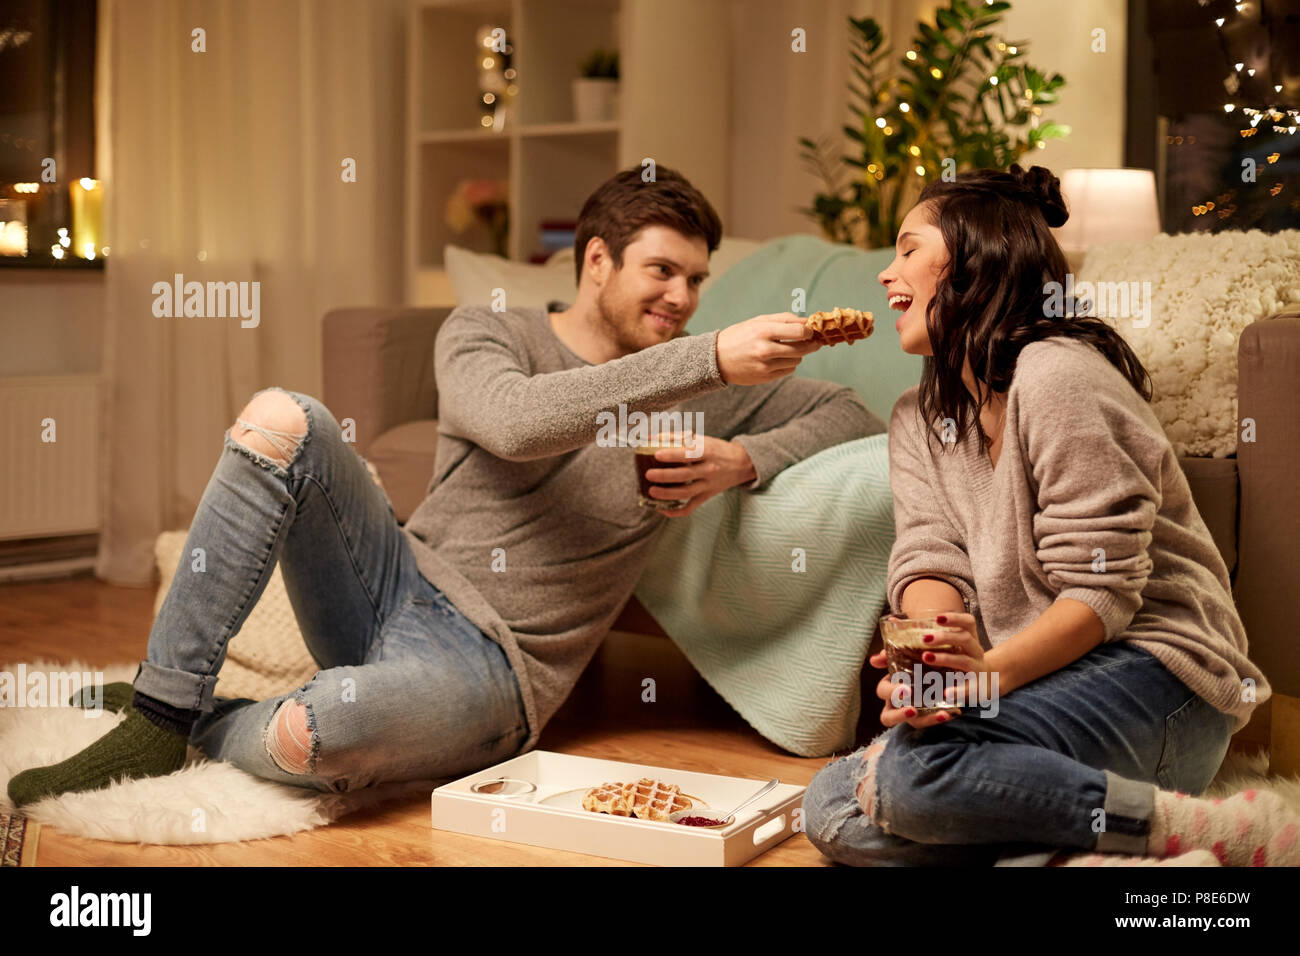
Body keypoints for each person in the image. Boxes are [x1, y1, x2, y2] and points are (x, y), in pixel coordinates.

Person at [8, 165, 883, 805]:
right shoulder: (489, 331)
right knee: (283, 416)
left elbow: (851, 411)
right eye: (663, 271)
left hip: (494, 666)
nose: (685, 298)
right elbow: (516, 421)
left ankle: (209, 719)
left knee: (310, 737)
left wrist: (742, 461)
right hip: (392, 582)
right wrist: (706, 360)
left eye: (697, 279)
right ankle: (160, 713)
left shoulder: (707, 386)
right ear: (597, 263)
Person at [801, 164, 1295, 867]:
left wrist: (990, 676)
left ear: (976, 260)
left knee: (906, 779)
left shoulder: (1058, 376)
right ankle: (1084, 850)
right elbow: (927, 555)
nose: (886, 273)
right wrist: (933, 661)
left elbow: (1104, 593)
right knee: (828, 802)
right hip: (1037, 687)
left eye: (908, 248)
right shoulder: (917, 417)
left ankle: (1219, 835)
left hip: (1157, 680)